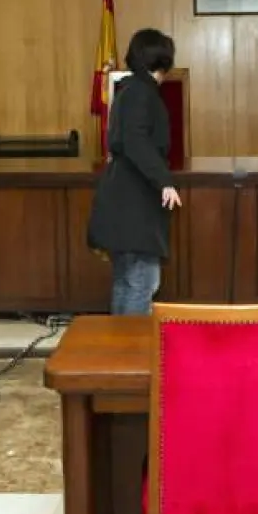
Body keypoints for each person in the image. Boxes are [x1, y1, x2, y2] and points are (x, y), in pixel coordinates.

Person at [87, 28, 182, 315]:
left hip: (122, 197)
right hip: (134, 201)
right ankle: (134, 342)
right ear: (163, 60)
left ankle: (121, 342)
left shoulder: (129, 89)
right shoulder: (142, 93)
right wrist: (164, 181)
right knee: (142, 282)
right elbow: (136, 141)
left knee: (126, 281)